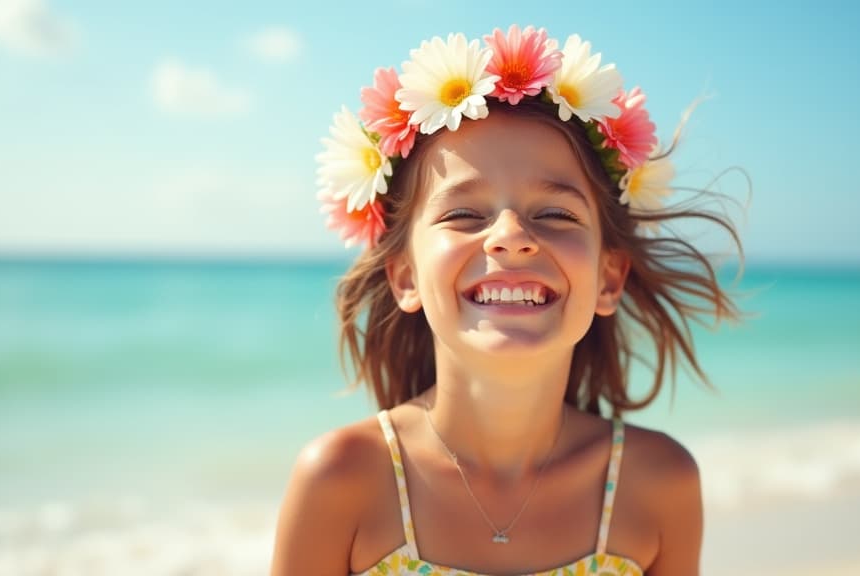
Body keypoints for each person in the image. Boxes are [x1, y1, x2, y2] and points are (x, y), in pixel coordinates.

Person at [272, 25, 740, 576]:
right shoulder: (341, 480)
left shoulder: (659, 483)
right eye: (463, 215)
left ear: (609, 278)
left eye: (556, 214)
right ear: (406, 278)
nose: (511, 236)